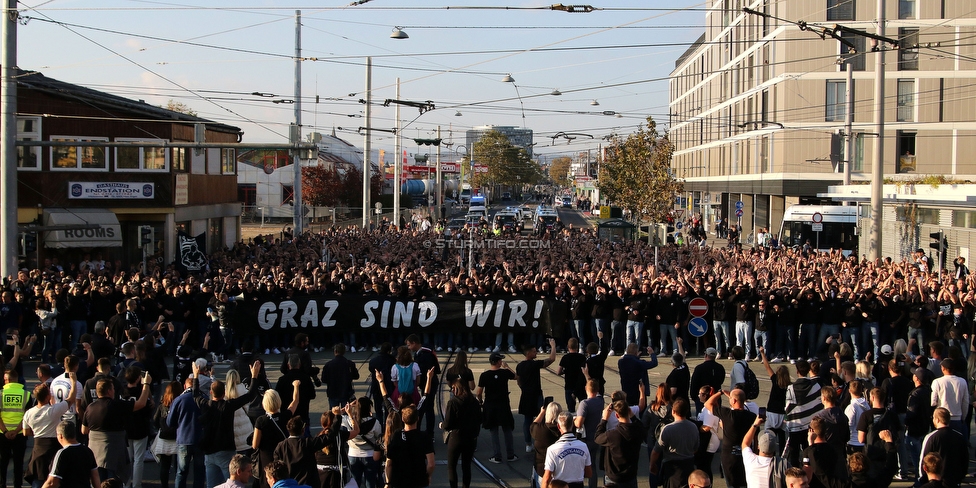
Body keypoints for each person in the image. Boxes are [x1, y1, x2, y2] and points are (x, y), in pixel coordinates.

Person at [197, 360, 262, 488]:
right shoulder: (228, 405)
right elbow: (249, 395)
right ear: (223, 393)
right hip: (227, 446)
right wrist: (254, 376)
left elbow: (195, 395)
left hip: (210, 450)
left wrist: (195, 377)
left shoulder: (206, 405)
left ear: (211, 392)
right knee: (233, 481)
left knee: (212, 483)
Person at [82, 371, 152, 483]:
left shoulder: (90, 408)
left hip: (95, 454)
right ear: (109, 391)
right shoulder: (117, 405)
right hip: (113, 454)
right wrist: (146, 385)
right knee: (113, 482)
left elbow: (84, 430)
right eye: (113, 389)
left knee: (98, 482)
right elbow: (141, 404)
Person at [24, 380, 77, 488]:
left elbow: (26, 432)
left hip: (37, 450)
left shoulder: (28, 413)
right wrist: (74, 381)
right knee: (55, 479)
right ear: (48, 396)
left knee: (38, 480)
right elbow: (71, 399)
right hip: (53, 448)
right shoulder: (53, 410)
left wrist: (38, 431)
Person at [705, 388, 757, 488]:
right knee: (745, 483)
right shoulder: (752, 416)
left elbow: (708, 404)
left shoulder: (727, 414)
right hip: (746, 454)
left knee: (732, 484)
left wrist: (721, 392)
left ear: (733, 401)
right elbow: (755, 437)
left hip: (729, 458)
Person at [476, 352, 518, 464]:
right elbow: (516, 376)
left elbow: (478, 392)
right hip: (503, 405)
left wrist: (480, 401)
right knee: (507, 429)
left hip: (490, 405)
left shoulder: (484, 375)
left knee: (493, 430)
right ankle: (510, 454)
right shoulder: (504, 373)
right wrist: (507, 367)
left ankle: (497, 455)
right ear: (498, 362)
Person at [442, 373, 483, 488]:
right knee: (466, 466)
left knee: (451, 466)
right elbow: (480, 419)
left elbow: (448, 423)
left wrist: (442, 425)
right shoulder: (474, 401)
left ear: (456, 388)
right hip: (470, 438)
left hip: (456, 437)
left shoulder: (453, 403)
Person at [252, 390, 298, 488]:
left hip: (266, 457)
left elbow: (255, 445)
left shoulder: (261, 421)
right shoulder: (285, 416)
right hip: (282, 456)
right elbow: (295, 401)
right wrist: (296, 386)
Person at [595, 400, 645, 488]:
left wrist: (604, 419)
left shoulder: (612, 435)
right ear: (629, 411)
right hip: (630, 476)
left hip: (614, 477)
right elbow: (641, 427)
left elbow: (597, 438)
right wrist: (632, 416)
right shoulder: (638, 431)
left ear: (616, 415)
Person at [518, 339, 556, 453]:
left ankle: (528, 443)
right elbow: (551, 359)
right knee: (542, 418)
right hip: (536, 395)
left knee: (527, 420)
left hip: (525, 395)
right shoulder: (535, 364)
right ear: (529, 353)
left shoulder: (520, 366)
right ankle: (543, 440)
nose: (536, 353)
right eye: (534, 352)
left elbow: (518, 380)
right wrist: (553, 346)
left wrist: (524, 388)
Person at [650, 397, 699, 488]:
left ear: (673, 411)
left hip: (672, 468)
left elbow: (656, 451)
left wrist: (652, 464)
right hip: (688, 465)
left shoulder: (668, 429)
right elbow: (695, 448)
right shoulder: (693, 427)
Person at [385, 405, 435, 488]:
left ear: (402, 419)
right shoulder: (424, 437)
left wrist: (388, 482)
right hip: (419, 481)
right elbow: (431, 464)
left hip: (399, 481)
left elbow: (389, 463)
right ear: (417, 419)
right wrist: (427, 476)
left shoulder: (396, 436)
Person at [783, 360, 822, 466]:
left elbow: (788, 407)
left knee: (794, 454)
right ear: (809, 370)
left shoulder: (791, 388)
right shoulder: (816, 386)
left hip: (795, 426)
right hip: (810, 426)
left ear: (797, 371)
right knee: (808, 451)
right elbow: (819, 404)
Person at [919, 407, 968, 488]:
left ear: (937, 420)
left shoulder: (931, 437)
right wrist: (960, 477)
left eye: (933, 418)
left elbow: (924, 459)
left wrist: (923, 479)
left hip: (935, 482)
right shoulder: (959, 436)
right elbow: (965, 459)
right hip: (954, 481)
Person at [541, 412, 591, 488]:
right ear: (573, 424)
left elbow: (547, 478)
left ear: (558, 426)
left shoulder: (552, 449)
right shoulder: (583, 446)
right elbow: (589, 473)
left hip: (559, 485)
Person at [42, 421, 99, 488]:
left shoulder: (62, 453)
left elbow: (52, 482)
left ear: (60, 436)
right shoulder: (87, 451)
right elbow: (95, 476)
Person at [405, 334, 440, 438]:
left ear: (414, 343)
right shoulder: (424, 351)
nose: (408, 348)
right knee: (426, 408)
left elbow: (425, 371)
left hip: (429, 383)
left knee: (428, 408)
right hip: (427, 383)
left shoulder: (424, 355)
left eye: (409, 345)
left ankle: (430, 433)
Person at [0, 366, 30, 488]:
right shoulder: (26, 395)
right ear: (17, 380)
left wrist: (6, 431)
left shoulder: (0, 394)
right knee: (18, 464)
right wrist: (17, 430)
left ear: (7, 380)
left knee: (3, 463)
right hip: (19, 434)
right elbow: (27, 417)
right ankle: (18, 485)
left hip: (2, 434)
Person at [345, 397, 382, 488]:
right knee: (370, 483)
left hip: (353, 454)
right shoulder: (375, 422)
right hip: (370, 455)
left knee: (354, 483)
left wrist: (348, 408)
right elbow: (378, 437)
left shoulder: (349, 420)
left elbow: (334, 414)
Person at [740, 414, 786, 488]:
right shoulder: (783, 464)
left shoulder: (750, 460)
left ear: (758, 446)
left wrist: (755, 424)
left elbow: (745, 443)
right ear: (774, 449)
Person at [801, 417, 848, 488]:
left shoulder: (809, 451)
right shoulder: (833, 449)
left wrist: (810, 443)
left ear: (811, 431)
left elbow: (807, 475)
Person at [574, 379, 603, 488]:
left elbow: (579, 423)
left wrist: (574, 420)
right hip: (595, 437)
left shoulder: (585, 403)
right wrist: (587, 375)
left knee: (580, 467)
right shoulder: (600, 401)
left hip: (585, 439)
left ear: (586, 388)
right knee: (592, 466)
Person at [929, 358, 968, 433]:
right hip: (957, 418)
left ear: (943, 368)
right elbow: (965, 402)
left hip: (941, 419)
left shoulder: (937, 382)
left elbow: (933, 402)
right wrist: (963, 417)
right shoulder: (962, 381)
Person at [530, 403, 562, 488]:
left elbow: (533, 426)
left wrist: (541, 413)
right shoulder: (563, 430)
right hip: (560, 468)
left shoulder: (541, 430)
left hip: (541, 468)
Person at [617, 342, 657, 407]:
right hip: (638, 391)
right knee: (640, 409)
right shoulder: (639, 363)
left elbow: (631, 362)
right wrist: (652, 354)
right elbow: (654, 363)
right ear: (636, 351)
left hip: (626, 390)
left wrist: (636, 357)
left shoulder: (621, 361)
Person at [321, 343, 359, 408]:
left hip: (333, 392)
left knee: (333, 413)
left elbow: (324, 379)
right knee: (346, 413)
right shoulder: (349, 364)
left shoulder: (328, 365)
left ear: (335, 351)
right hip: (346, 392)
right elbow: (356, 376)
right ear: (344, 352)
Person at [690, 347, 725, 414]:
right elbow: (721, 380)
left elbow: (694, 383)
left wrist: (694, 397)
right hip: (716, 397)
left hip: (702, 397)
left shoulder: (699, 368)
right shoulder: (720, 368)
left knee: (701, 419)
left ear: (706, 355)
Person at [556, 338, 587, 412]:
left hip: (569, 385)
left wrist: (564, 372)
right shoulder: (582, 357)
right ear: (577, 346)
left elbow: (558, 372)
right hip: (580, 385)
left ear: (568, 347)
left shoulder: (565, 358)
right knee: (584, 407)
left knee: (571, 409)